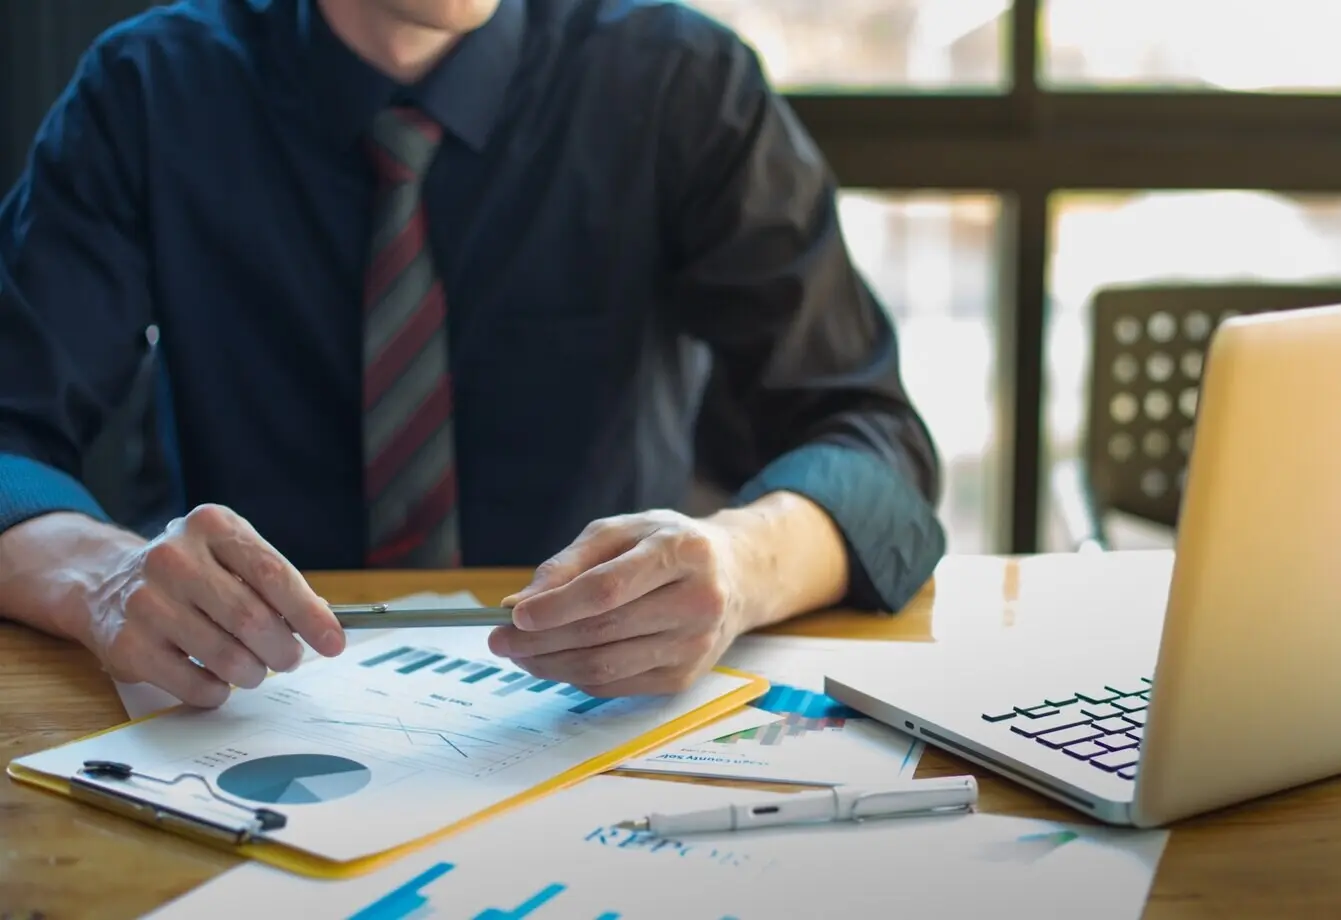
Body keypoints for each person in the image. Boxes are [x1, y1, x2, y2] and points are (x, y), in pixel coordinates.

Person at [0, 0, 946, 709]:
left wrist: (739, 567)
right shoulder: (149, 91)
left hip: (602, 729)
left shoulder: (679, 82)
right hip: (233, 716)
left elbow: (873, 447)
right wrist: (104, 577)